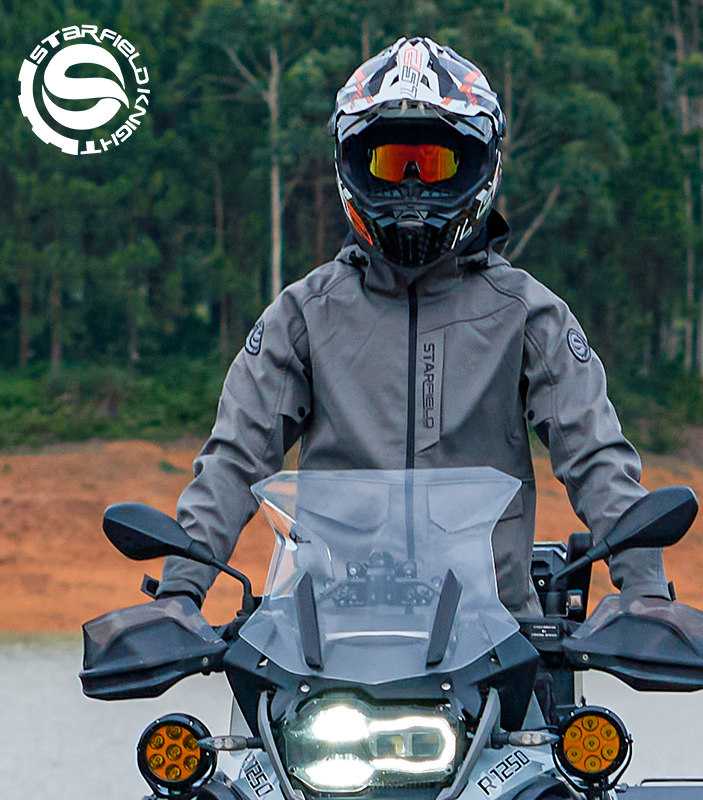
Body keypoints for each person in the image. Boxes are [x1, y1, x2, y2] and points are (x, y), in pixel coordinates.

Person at [157, 36, 670, 617]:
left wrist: (646, 591)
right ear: (354, 164)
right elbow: (233, 459)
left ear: (478, 165)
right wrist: (179, 593)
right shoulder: (303, 315)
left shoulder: (528, 316)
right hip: (327, 636)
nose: (410, 186)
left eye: (433, 164)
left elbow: (596, 457)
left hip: (498, 636)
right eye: (389, 162)